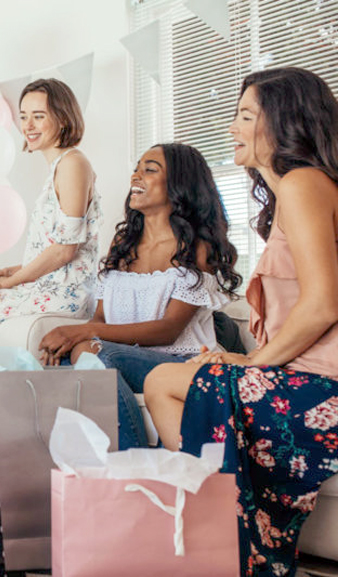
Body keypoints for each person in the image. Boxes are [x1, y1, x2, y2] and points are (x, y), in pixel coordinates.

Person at [144, 67, 338, 576]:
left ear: (285, 122)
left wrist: (252, 362)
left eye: (245, 115)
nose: (231, 127)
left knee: (165, 380)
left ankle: (220, 539)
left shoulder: (303, 184)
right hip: (304, 376)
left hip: (324, 386)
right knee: (170, 378)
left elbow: (322, 305)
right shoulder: (293, 192)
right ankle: (221, 537)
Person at [38, 143, 242, 449]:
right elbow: (101, 318)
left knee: (99, 355)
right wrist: (79, 339)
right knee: (68, 362)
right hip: (123, 355)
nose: (136, 176)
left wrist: (83, 332)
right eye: (137, 168)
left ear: (178, 184)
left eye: (150, 169)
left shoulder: (198, 247)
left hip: (182, 361)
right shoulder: (123, 242)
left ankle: (131, 461)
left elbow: (169, 328)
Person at [0, 78, 100, 331]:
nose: (28, 126)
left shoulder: (72, 164)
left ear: (64, 119)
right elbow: (51, 251)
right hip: (48, 285)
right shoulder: (59, 167)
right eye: (23, 117)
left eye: (38, 116)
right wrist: (7, 271)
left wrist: (11, 282)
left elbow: (65, 251)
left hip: (64, 295)